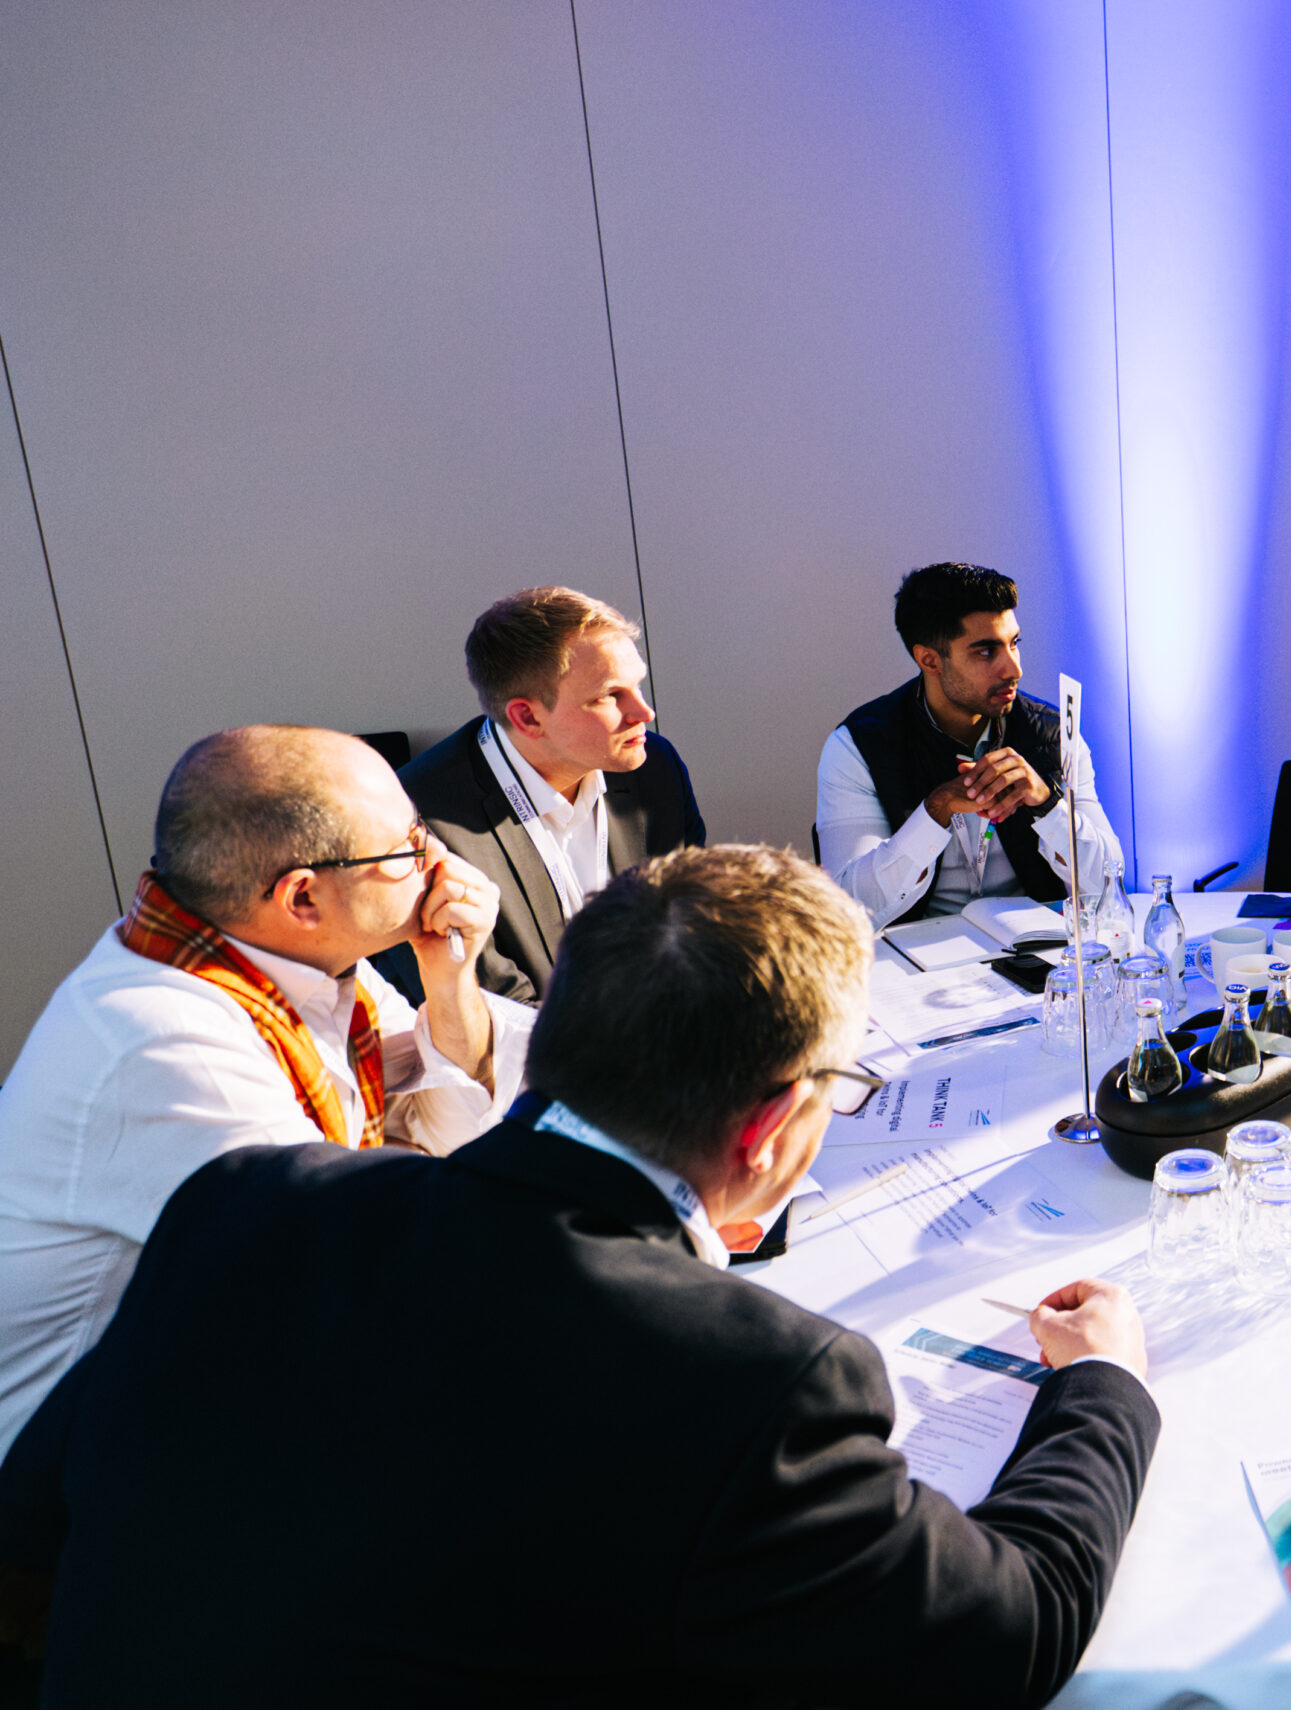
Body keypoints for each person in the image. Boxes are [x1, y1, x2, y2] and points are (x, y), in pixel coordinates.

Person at [0, 844, 1159, 1706]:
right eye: (838, 1085)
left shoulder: (249, 1200)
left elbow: (31, 1534)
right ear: (768, 1128)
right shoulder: (758, 1384)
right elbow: (1007, 1637)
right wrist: (1101, 1387)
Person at [0, 726, 528, 1458]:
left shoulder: (293, 966)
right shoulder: (165, 1041)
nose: (438, 863)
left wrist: (450, 981)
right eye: (408, 845)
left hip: (194, 1406)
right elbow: (365, 1267)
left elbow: (443, 1130)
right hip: (66, 1485)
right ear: (302, 897)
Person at [392, 586, 706, 1002]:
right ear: (527, 717)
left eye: (638, 686)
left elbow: (696, 926)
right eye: (610, 695)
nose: (644, 713)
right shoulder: (412, 823)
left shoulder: (655, 766)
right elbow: (487, 1010)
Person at [818, 563, 1122, 925]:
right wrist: (934, 812)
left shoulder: (1051, 734)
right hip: (913, 954)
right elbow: (848, 908)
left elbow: (1110, 885)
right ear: (929, 659)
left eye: (1014, 644)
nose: (1013, 669)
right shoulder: (859, 746)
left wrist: (1047, 804)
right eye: (986, 651)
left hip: (1033, 950)